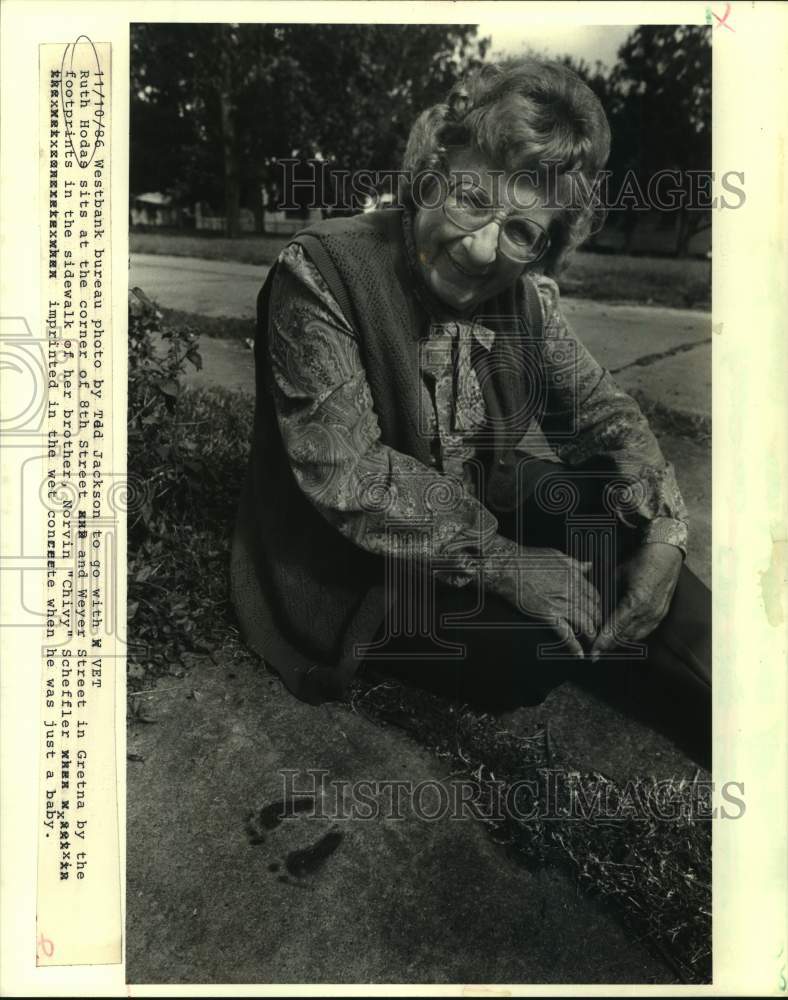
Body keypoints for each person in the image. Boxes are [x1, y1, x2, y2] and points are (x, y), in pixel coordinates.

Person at [231, 59, 711, 766]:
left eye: (522, 230)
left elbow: (605, 416)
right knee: (528, 655)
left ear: (547, 244)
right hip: (357, 563)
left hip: (480, 500)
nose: (484, 247)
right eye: (470, 198)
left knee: (625, 520)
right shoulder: (321, 271)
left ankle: (745, 694)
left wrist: (666, 537)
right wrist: (511, 563)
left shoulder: (524, 299)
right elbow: (349, 475)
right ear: (430, 171)